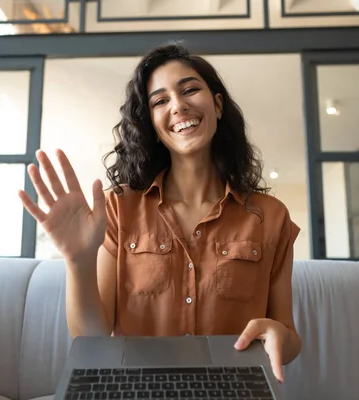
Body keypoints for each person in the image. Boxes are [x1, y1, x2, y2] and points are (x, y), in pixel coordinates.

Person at [18, 43, 301, 383]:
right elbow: (91, 336)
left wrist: (280, 336)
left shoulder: (270, 216)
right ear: (151, 122)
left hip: (233, 385)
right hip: (136, 385)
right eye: (160, 101)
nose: (178, 106)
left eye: (190, 90)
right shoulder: (120, 209)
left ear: (218, 104)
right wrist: (78, 260)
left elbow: (288, 334)